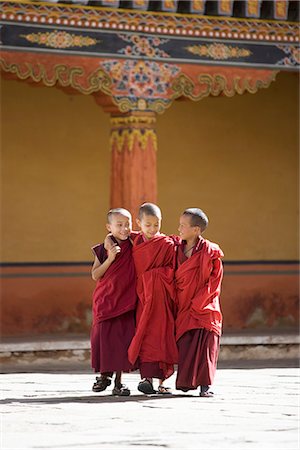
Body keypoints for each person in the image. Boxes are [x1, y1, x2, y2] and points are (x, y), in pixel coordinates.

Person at [128, 202, 178, 395]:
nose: (152, 229)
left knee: (163, 335)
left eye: (156, 225)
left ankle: (162, 382)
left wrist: (155, 277)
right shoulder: (136, 241)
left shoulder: (166, 244)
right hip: (142, 296)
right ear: (139, 223)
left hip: (161, 297)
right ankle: (146, 378)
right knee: (145, 334)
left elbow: (172, 270)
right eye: (148, 225)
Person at [174, 208, 224, 397]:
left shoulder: (211, 251)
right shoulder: (176, 248)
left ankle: (206, 385)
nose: (179, 229)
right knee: (186, 345)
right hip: (183, 304)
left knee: (206, 346)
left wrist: (200, 302)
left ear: (196, 230)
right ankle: (187, 381)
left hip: (205, 305)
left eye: (183, 226)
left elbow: (215, 280)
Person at [90, 208, 137, 396]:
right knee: (104, 340)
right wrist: (110, 257)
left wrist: (110, 237)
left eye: (128, 224)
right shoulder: (103, 249)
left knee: (122, 342)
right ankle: (104, 376)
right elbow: (95, 274)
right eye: (119, 225)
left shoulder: (135, 245)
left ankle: (119, 382)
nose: (124, 229)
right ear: (109, 227)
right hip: (106, 300)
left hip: (127, 301)